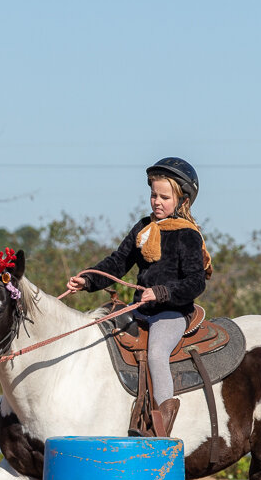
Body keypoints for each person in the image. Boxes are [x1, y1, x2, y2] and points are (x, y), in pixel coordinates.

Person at [66, 157, 212, 437]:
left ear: (182, 200)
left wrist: (161, 292)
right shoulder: (143, 228)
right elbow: (118, 262)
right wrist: (88, 279)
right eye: (153, 194)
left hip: (172, 312)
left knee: (157, 353)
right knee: (98, 336)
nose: (156, 201)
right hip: (140, 309)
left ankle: (161, 428)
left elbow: (195, 282)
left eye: (164, 197)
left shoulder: (188, 235)